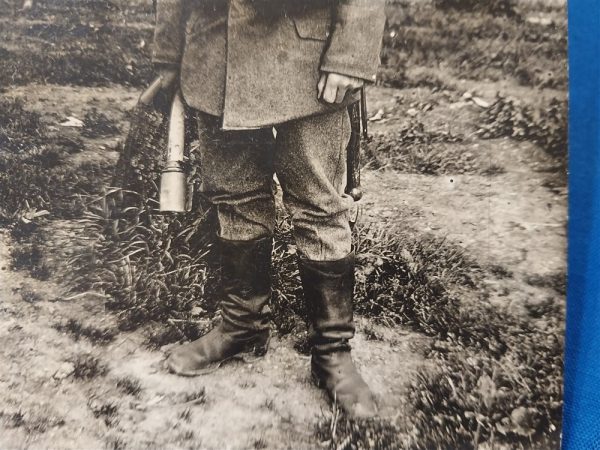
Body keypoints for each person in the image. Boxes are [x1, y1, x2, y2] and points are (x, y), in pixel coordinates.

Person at [153, 0, 386, 418]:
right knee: (235, 198)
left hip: (308, 63)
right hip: (216, 57)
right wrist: (168, 52)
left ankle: (332, 352)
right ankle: (241, 328)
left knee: (318, 206)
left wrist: (352, 53)